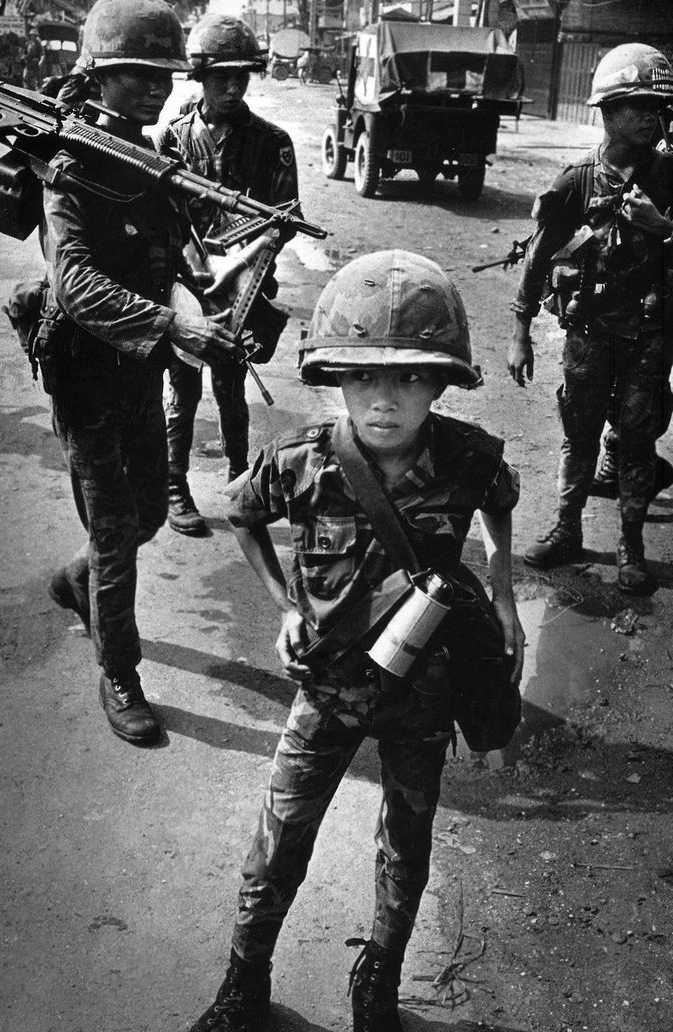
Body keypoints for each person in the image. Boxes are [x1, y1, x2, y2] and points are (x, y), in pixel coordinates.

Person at [188, 250, 525, 1032]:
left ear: (441, 383)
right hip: (327, 686)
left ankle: (379, 977)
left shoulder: (469, 456)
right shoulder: (302, 459)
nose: (384, 399)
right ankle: (244, 981)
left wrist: (504, 596)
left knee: (407, 844)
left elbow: (501, 503)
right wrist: (282, 607)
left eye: (410, 378)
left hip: (424, 689)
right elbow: (242, 517)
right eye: (364, 378)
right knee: (280, 838)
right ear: (335, 378)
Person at [41, 0, 240, 744]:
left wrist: (208, 286)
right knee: (120, 532)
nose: (154, 89)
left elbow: (176, 255)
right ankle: (119, 670)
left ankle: (74, 578)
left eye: (162, 76)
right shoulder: (69, 166)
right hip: (86, 375)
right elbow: (77, 286)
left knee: (150, 514)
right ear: (99, 75)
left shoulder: (148, 161)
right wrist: (172, 324)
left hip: (139, 373)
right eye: (135, 77)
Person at [508, 43, 673, 596]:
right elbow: (538, 256)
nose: (656, 117)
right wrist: (520, 330)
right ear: (607, 111)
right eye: (642, 106)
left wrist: (663, 228)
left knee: (636, 438)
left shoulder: (670, 178)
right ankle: (566, 529)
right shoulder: (576, 181)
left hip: (651, 336)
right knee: (578, 436)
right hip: (587, 334)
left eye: (661, 107)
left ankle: (631, 546)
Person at [157, 14, 299, 536]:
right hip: (188, 286)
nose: (233, 87)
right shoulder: (173, 138)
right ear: (200, 77)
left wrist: (235, 264)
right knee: (184, 389)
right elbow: (160, 215)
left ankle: (240, 483)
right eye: (222, 77)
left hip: (244, 286)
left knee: (231, 390)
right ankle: (176, 487)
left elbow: (281, 222)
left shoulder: (270, 141)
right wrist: (192, 269)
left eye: (241, 76)